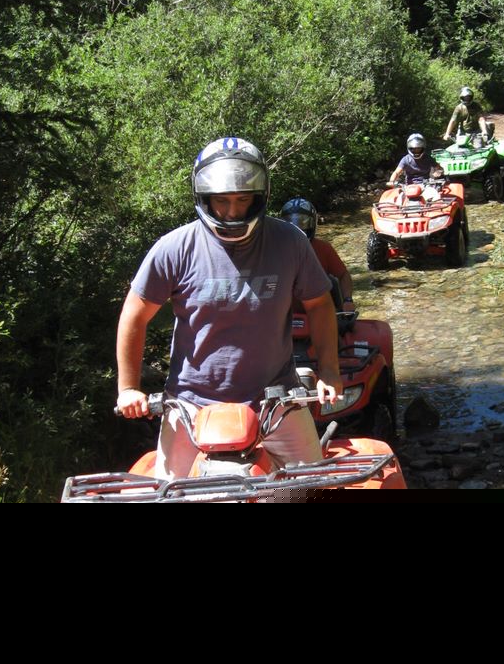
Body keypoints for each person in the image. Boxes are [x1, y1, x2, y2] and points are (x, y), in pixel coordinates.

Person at [116, 137, 343, 478]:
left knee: (310, 488)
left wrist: (329, 371)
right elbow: (134, 314)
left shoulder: (290, 242)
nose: (233, 211)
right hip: (190, 402)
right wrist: (128, 388)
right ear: (204, 198)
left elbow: (320, 304)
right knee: (170, 493)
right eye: (222, 201)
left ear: (260, 196)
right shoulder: (175, 248)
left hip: (277, 398)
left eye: (243, 199)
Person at [280, 198, 354, 310]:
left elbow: (343, 275)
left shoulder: (324, 248)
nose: (297, 228)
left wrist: (348, 300)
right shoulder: (275, 250)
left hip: (320, 312)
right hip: (284, 315)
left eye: (302, 222)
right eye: (290, 222)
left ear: (312, 224)